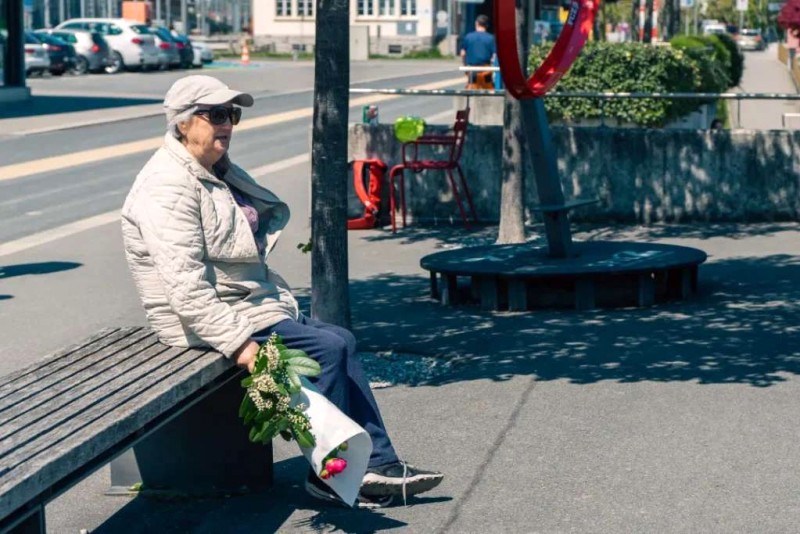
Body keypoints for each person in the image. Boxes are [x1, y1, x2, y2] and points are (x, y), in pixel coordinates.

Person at [121, 75, 443, 509]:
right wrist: (240, 346)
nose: (228, 124)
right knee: (328, 348)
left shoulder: (212, 169)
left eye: (231, 115)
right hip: (203, 318)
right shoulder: (167, 187)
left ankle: (377, 462)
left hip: (246, 303)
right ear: (182, 123)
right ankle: (331, 476)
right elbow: (186, 289)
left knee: (341, 340)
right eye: (215, 115)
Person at [459, 14, 497, 89]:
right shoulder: (491, 38)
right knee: (489, 91)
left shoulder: (468, 37)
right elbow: (494, 55)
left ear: (476, 23)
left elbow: (463, 53)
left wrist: (465, 66)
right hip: (486, 69)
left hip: (472, 69)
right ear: (487, 25)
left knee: (471, 91)